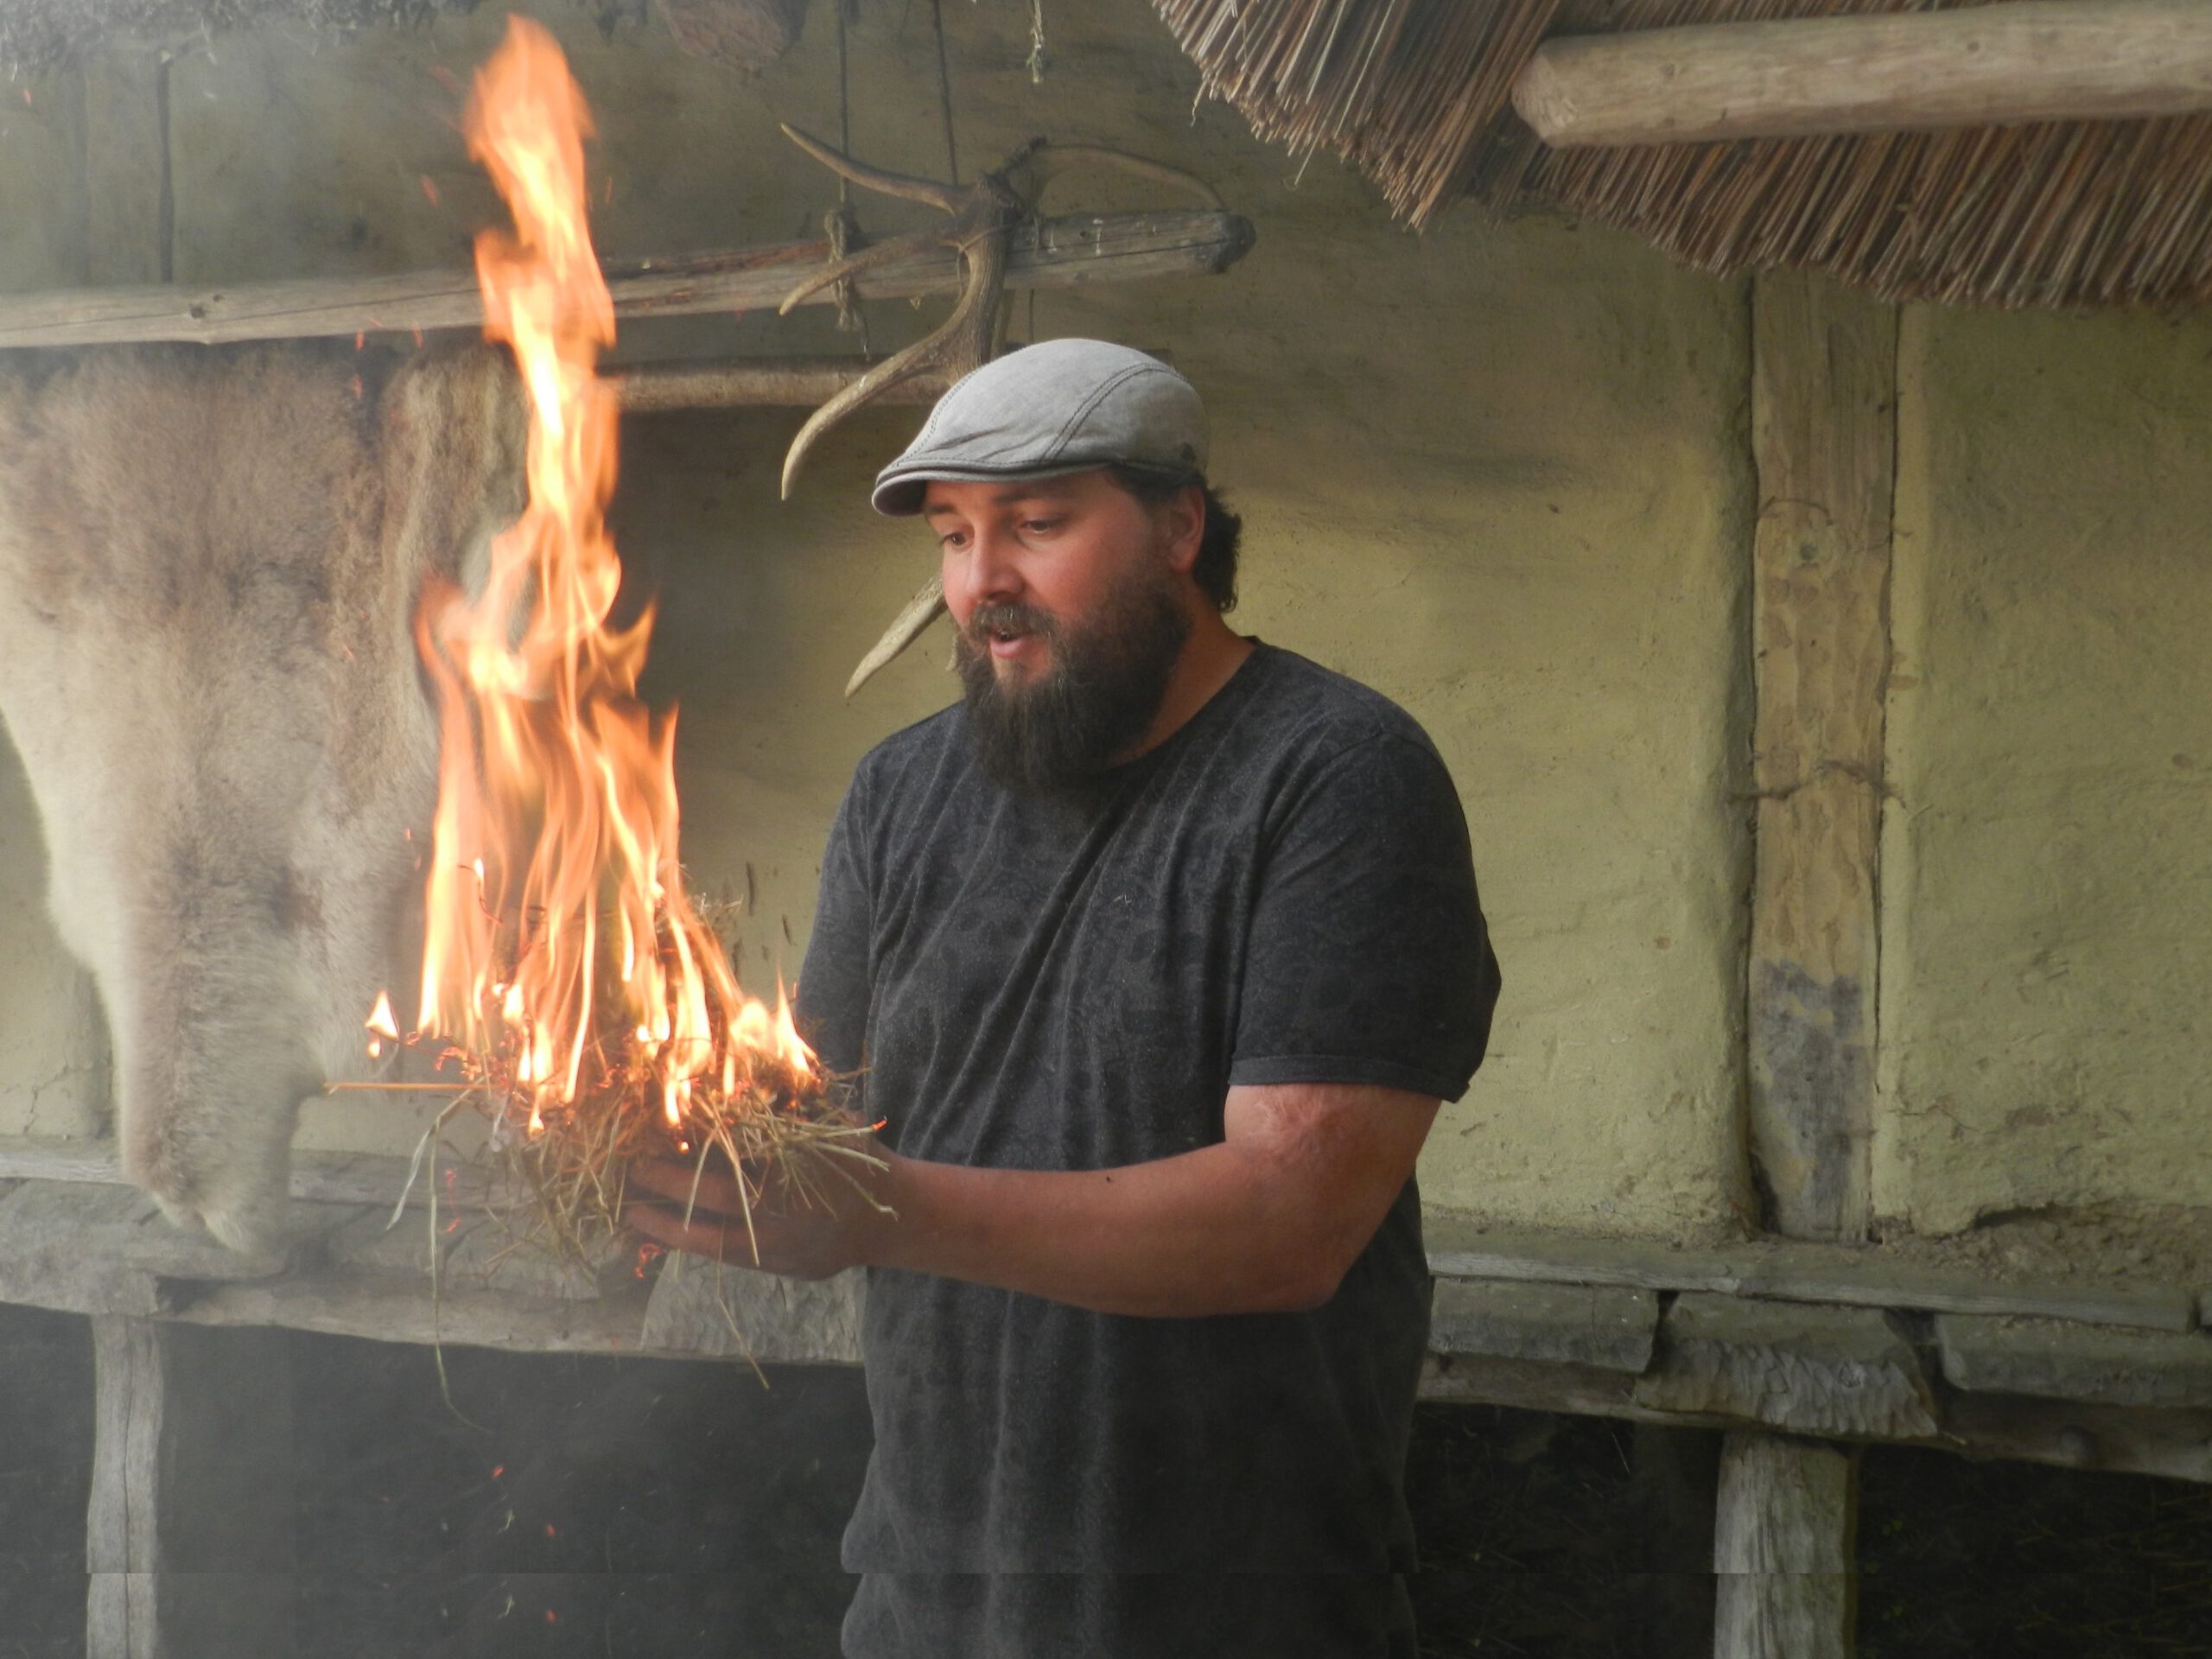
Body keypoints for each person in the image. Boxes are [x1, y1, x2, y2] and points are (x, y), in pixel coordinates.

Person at [627, 339, 1503, 1657]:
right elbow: (817, 1138)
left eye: (1037, 526)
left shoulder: (1334, 778)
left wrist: (877, 1209)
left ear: (1178, 530)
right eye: (954, 536)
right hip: (928, 1599)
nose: (984, 584)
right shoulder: (900, 794)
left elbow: (1289, 1221)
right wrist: (639, 1106)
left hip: (1237, 1612)